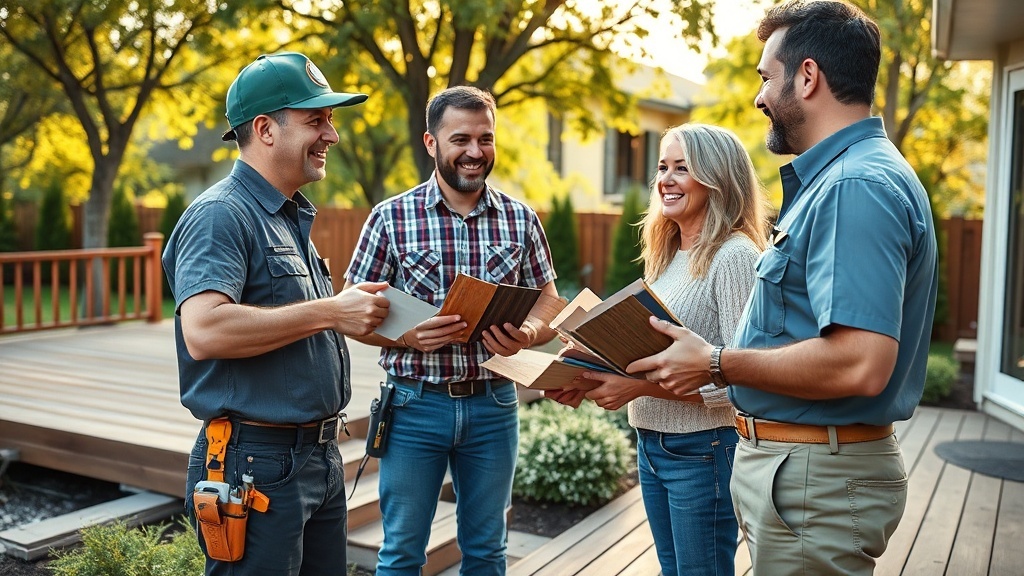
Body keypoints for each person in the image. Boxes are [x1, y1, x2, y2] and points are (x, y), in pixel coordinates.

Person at [627, 2, 939, 574]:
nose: (759, 96)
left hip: (813, 477)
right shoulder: (845, 179)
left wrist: (716, 362)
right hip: (802, 473)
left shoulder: (855, 185)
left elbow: (859, 364)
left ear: (808, 76)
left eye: (766, 76)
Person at [162, 52, 391, 576]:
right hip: (254, 465)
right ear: (265, 129)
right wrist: (332, 312)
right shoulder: (220, 214)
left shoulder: (286, 216)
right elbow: (204, 329)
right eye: (317, 120)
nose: (332, 135)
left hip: (316, 458)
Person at [343, 85, 560, 576]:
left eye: (485, 139)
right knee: (401, 553)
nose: (475, 152)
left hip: (494, 405)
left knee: (487, 551)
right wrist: (405, 337)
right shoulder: (390, 218)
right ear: (431, 143)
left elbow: (550, 299)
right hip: (414, 406)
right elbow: (353, 312)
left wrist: (528, 332)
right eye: (460, 139)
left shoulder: (521, 219)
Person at [549, 123, 769, 576]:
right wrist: (583, 365)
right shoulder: (669, 255)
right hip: (653, 445)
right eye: (662, 168)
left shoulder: (734, 256)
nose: (665, 180)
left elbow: (743, 385)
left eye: (682, 168)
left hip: (705, 450)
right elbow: (652, 359)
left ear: (718, 178)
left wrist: (635, 389)